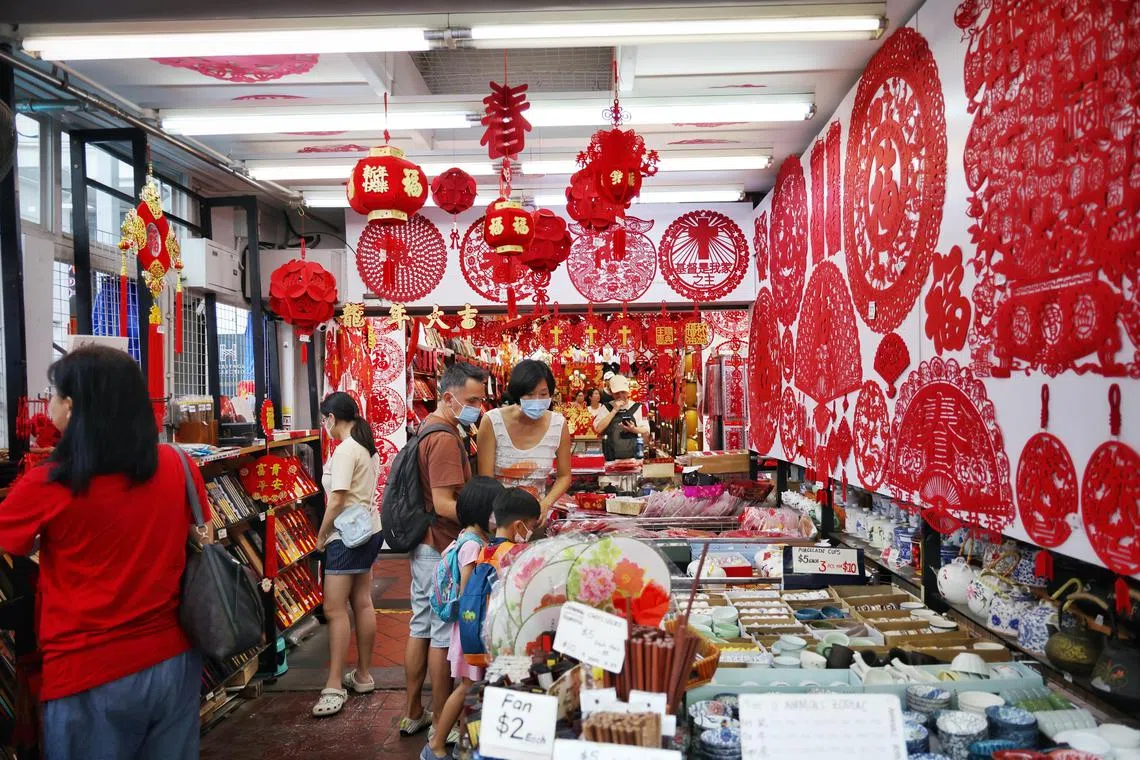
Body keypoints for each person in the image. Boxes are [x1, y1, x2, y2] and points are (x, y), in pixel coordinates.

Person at [0, 346, 209, 759]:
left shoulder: (51, 483)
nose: (52, 402)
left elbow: (9, 541)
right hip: (173, 660)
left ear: (73, 407)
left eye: (54, 394)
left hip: (88, 669)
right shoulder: (176, 464)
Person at [402, 362, 488, 739]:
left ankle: (413, 712)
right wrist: (485, 518)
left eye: (481, 401)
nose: (477, 408)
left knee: (420, 626)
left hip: (426, 546)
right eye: (471, 400)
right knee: (440, 635)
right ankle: (442, 720)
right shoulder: (445, 439)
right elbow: (442, 502)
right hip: (440, 546)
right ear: (448, 396)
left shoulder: (431, 428)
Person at [420, 476, 505, 760]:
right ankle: (436, 745)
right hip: (469, 629)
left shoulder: (470, 538)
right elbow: (469, 591)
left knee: (470, 690)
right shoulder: (472, 546)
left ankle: (462, 746)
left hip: (467, 627)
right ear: (484, 511)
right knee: (466, 690)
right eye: (495, 510)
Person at [312, 392, 381, 718]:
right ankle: (363, 675)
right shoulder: (367, 446)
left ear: (331, 418)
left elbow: (337, 500)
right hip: (369, 530)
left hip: (345, 536)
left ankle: (334, 684)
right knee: (362, 601)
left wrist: (322, 536)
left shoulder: (345, 451)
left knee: (334, 609)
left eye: (324, 419)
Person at [477, 359, 571, 517]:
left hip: (536, 516)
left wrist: (546, 503)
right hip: (498, 517)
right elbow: (486, 480)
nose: (537, 401)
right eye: (530, 394)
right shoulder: (492, 422)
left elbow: (565, 476)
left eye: (543, 394)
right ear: (518, 393)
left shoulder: (558, 424)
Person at [592, 375, 650, 460]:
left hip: (634, 458)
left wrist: (633, 429)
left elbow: (646, 431)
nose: (620, 395)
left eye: (623, 392)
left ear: (627, 391)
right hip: (611, 459)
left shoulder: (638, 407)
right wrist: (614, 410)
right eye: (616, 393)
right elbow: (598, 429)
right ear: (611, 392)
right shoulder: (606, 407)